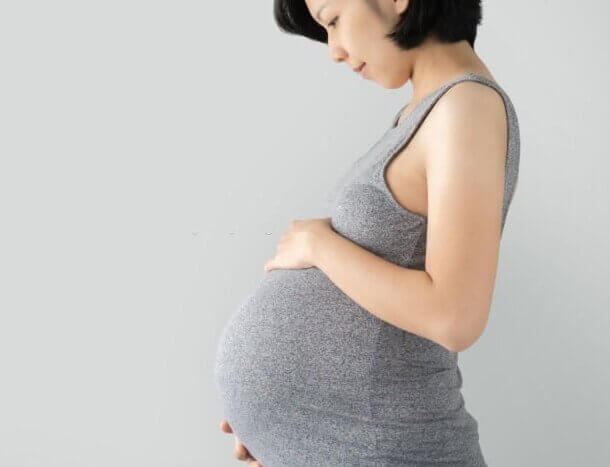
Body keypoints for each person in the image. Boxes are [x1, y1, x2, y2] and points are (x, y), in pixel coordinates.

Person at [217, 0, 520, 465]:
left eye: (333, 20)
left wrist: (321, 246)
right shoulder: (423, 113)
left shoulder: (467, 105)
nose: (335, 51)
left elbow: (455, 316)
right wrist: (285, 432)